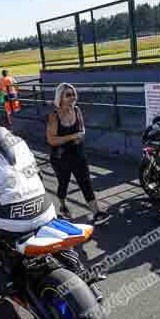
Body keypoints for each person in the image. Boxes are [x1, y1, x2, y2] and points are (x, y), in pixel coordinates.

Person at [0, 104, 103, 301]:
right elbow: (37, 175)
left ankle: (1, 277)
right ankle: (86, 278)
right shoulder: (19, 141)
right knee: (55, 232)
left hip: (11, 218)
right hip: (44, 207)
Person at [46, 83, 110, 224]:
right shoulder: (54, 115)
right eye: (68, 95)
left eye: (73, 94)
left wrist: (80, 136)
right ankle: (62, 205)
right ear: (60, 97)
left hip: (78, 154)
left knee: (86, 182)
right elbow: (51, 140)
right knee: (63, 184)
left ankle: (96, 213)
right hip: (60, 157)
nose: (72, 97)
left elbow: (82, 129)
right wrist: (72, 137)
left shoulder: (77, 110)